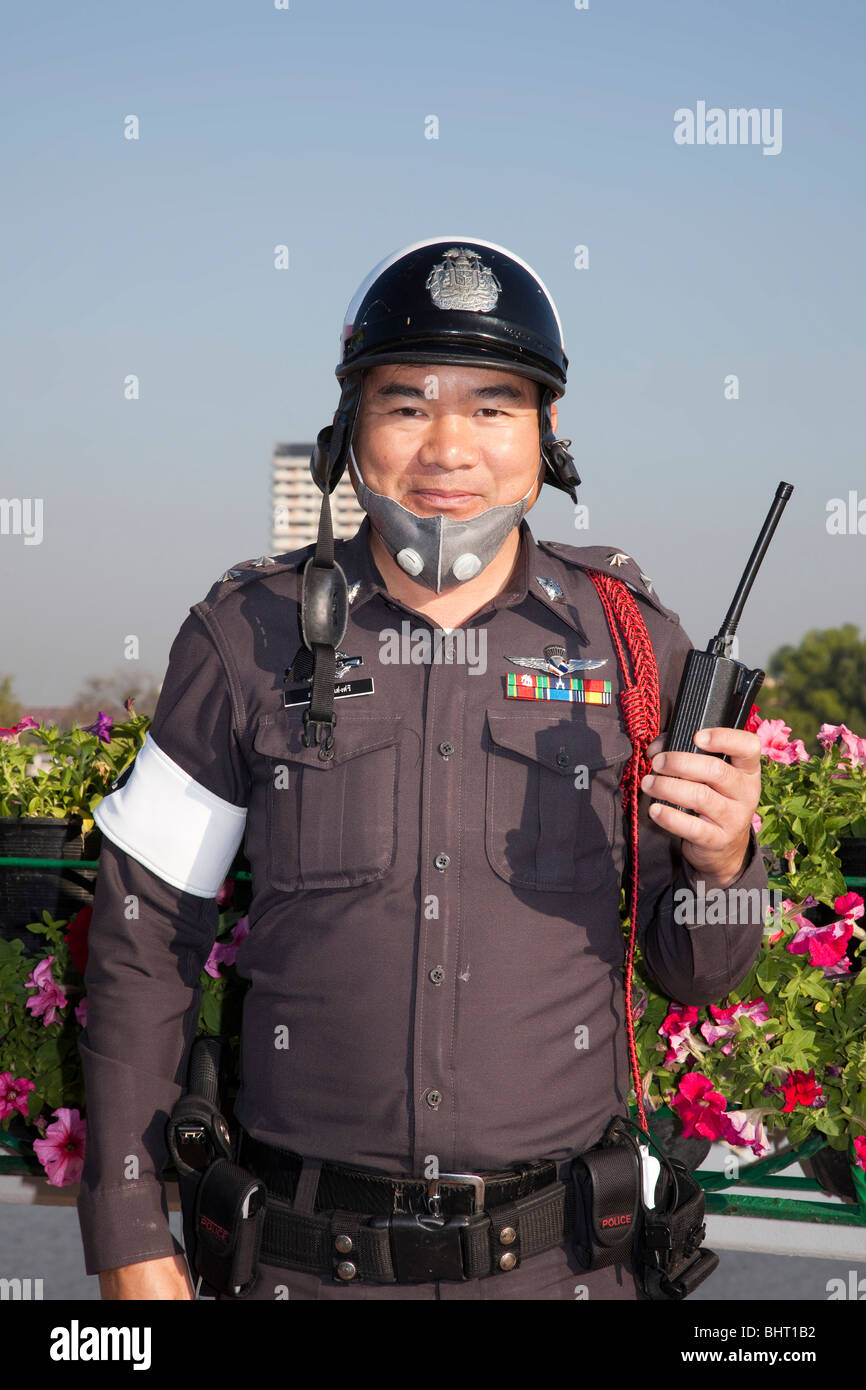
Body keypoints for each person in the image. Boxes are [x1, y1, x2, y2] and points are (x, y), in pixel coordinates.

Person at [77, 237, 767, 1301]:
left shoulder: (636, 646)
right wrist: (129, 1231)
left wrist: (723, 867)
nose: (447, 445)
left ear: (546, 434)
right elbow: (143, 940)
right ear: (349, 433)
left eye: (492, 405)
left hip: (563, 1266)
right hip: (301, 1267)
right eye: (406, 403)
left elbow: (695, 971)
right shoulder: (241, 635)